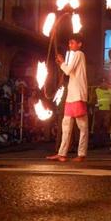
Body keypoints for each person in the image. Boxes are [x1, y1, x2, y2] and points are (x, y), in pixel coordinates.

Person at [47, 34, 88, 162]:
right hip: (71, 96)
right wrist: (62, 63)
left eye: (72, 42)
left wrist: (62, 62)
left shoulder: (79, 54)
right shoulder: (75, 56)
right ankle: (62, 154)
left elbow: (68, 70)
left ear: (79, 44)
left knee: (82, 126)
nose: (70, 45)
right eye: (69, 43)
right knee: (66, 126)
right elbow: (68, 70)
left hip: (77, 95)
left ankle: (81, 154)